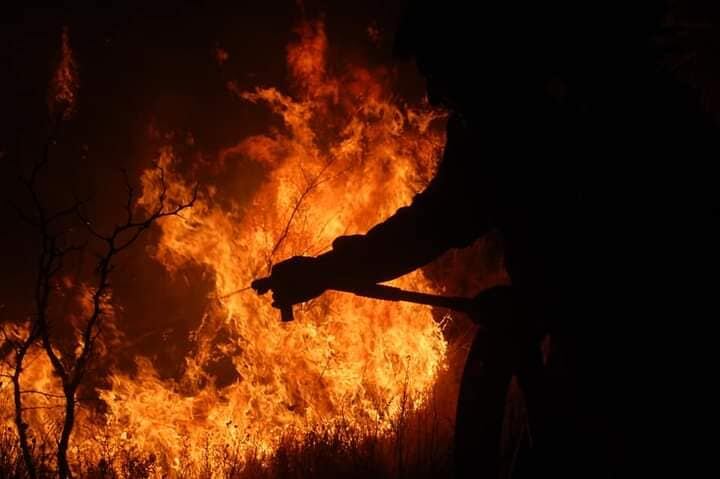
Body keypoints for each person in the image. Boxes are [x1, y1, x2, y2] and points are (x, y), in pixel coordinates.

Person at [255, 1, 717, 476]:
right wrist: (324, 271)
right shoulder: (493, 126)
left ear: (476, 54)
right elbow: (429, 226)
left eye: (439, 72)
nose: (433, 96)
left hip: (658, 346)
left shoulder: (603, 107)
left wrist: (540, 300)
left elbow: (636, 249)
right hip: (586, 343)